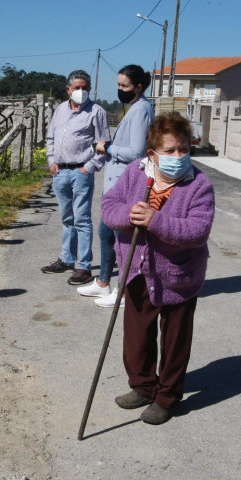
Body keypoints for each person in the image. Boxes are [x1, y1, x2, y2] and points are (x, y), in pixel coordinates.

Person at [101, 112, 215, 425]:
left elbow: (198, 230)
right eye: (170, 150)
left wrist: (156, 220)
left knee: (175, 341)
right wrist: (130, 214)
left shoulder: (198, 184)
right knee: (137, 336)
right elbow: (109, 209)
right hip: (136, 272)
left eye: (183, 149)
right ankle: (142, 386)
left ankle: (167, 397)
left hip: (179, 276)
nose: (178, 156)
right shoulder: (134, 175)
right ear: (152, 153)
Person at [77, 64, 155, 305]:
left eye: (124, 86)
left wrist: (107, 147)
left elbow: (136, 152)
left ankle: (123, 289)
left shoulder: (141, 109)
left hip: (125, 185)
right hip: (115, 185)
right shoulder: (133, 107)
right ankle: (103, 283)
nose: (120, 89)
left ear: (138, 87)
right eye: (119, 85)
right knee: (105, 233)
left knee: (120, 239)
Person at [41, 70, 110, 285]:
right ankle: (66, 259)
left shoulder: (96, 112)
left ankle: (84, 266)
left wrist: (89, 167)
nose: (81, 91)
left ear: (89, 89)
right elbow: (51, 137)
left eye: (85, 87)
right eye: (77, 88)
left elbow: (104, 143)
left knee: (82, 219)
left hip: (81, 172)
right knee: (67, 218)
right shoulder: (60, 109)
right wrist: (51, 161)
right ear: (68, 89)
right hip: (60, 171)